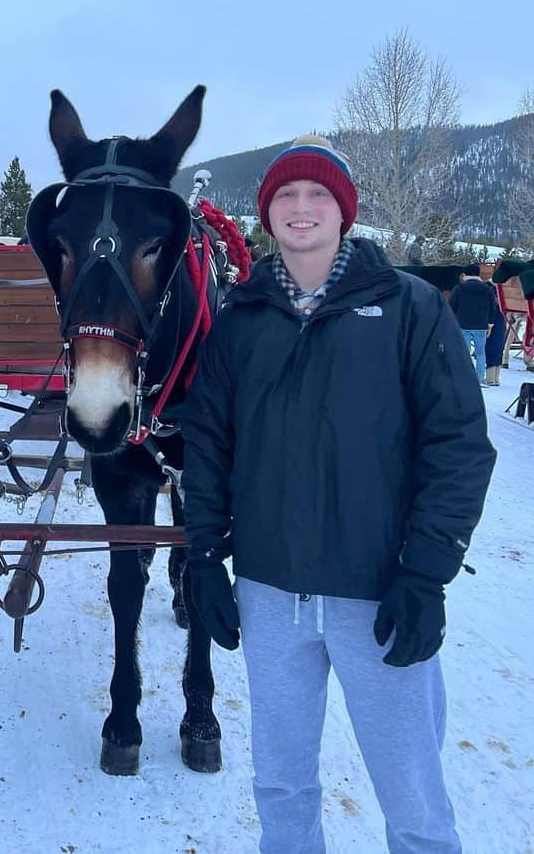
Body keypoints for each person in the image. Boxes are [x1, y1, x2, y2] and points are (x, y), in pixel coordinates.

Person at [181, 135, 496, 853]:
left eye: (317, 194)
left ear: (344, 211)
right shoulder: (241, 322)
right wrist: (205, 555)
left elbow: (459, 445)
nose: (301, 208)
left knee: (411, 791)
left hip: (377, 594)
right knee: (283, 789)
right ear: (267, 214)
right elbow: (208, 444)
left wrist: (426, 572)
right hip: (271, 596)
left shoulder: (410, 309)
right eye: (286, 196)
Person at [449, 262, 499, 385]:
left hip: (462, 325)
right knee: (480, 353)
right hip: (481, 326)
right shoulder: (487, 289)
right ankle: (480, 377)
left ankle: (463, 376)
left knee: (464, 353)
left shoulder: (459, 288)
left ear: (466, 274)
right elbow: (493, 307)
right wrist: (490, 323)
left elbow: (451, 306)